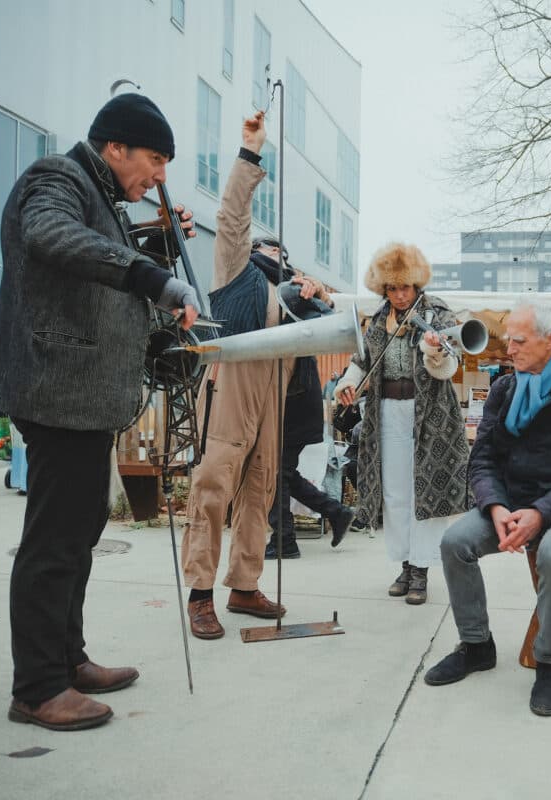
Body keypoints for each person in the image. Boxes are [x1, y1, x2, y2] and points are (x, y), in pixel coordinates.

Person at [0, 93, 201, 731]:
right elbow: (51, 236)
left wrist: (154, 253)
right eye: (155, 158)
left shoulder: (103, 198)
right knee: (55, 541)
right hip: (57, 390)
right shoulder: (57, 178)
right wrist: (150, 276)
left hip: (83, 398)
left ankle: (67, 659)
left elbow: (102, 278)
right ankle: (37, 687)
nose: (160, 175)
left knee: (79, 533)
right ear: (115, 147)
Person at [423, 301, 551, 717]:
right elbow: (482, 459)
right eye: (509, 339)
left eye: (519, 341)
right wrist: (495, 507)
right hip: (510, 503)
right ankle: (476, 646)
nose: (508, 349)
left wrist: (541, 512)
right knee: (455, 542)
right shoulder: (504, 389)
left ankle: (548, 662)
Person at [180, 113, 302, 639]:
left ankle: (244, 585)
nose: (277, 255)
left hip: (273, 391)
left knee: (260, 490)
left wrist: (313, 298)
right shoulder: (236, 270)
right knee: (213, 486)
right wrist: (250, 154)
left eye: (282, 253)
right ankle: (200, 594)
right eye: (270, 249)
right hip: (230, 385)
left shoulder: (291, 293)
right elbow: (232, 215)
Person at [335, 243, 471, 604]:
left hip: (430, 415)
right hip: (387, 410)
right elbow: (362, 360)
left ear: (416, 284)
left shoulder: (436, 312)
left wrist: (433, 350)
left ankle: (422, 569)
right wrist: (347, 382)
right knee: (395, 492)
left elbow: (450, 366)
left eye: (405, 287)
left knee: (425, 491)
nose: (399, 295)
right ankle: (406, 563)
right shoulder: (379, 318)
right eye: (392, 288)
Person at [261, 252, 354, 561]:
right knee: (283, 472)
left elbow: (327, 314)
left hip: (298, 400)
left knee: (278, 473)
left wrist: (321, 292)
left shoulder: (294, 288)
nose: (271, 255)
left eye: (273, 251)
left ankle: (285, 540)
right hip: (295, 399)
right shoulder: (274, 288)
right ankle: (336, 512)